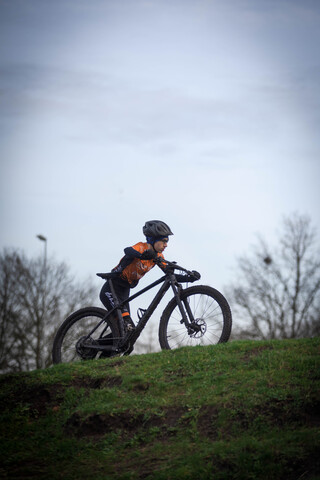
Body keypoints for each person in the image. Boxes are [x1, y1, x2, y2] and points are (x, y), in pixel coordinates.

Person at [99, 220, 174, 331]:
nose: (166, 245)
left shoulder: (158, 256)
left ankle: (102, 346)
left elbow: (168, 272)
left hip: (125, 291)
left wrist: (189, 277)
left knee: (128, 332)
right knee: (125, 324)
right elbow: (127, 251)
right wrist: (142, 256)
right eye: (163, 241)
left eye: (167, 241)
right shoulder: (142, 247)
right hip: (112, 289)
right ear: (153, 240)